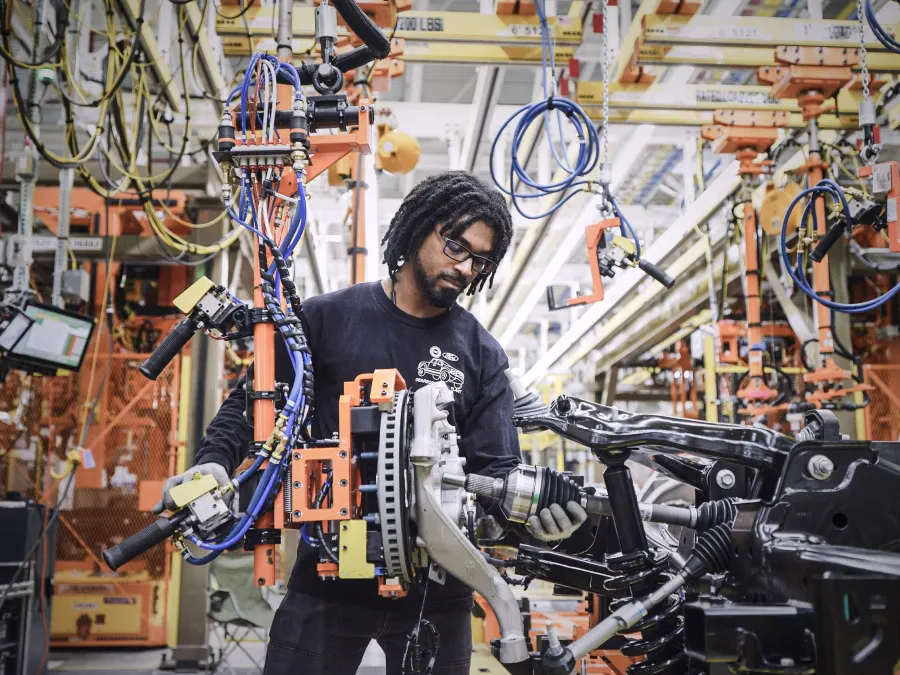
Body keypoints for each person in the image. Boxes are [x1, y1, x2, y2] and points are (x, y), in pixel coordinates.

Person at [156, 171, 587, 674]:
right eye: (455, 246)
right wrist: (212, 466)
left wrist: (535, 520)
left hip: (438, 593)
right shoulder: (325, 319)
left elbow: (497, 474)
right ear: (417, 228)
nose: (465, 267)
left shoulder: (481, 353)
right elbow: (250, 404)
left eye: (480, 260)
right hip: (328, 577)